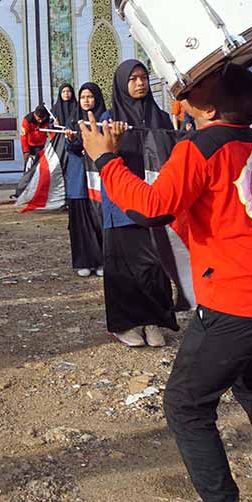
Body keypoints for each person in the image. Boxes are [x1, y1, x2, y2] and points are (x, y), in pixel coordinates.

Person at [80, 64, 252, 502]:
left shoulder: (198, 148)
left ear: (209, 108)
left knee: (186, 406)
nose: (180, 91)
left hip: (239, 304)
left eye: (191, 89)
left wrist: (105, 160)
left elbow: (152, 206)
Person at [96, 59, 177, 348]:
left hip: (155, 201)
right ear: (121, 84)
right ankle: (125, 323)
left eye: (143, 78)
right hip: (122, 204)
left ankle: (153, 319)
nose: (140, 83)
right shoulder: (108, 118)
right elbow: (100, 159)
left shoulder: (162, 118)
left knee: (155, 262)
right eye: (133, 79)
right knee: (125, 265)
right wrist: (113, 142)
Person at [63, 82, 104, 277]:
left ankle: (102, 261)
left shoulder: (104, 118)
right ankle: (84, 261)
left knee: (98, 218)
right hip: (78, 177)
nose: (86, 101)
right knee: (80, 220)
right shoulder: (73, 121)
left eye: (90, 96)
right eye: (83, 97)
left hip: (97, 176)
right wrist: (71, 140)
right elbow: (70, 149)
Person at [20, 104, 50, 171]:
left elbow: (52, 131)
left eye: (42, 119)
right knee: (28, 165)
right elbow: (23, 136)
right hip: (29, 145)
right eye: (38, 119)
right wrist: (26, 151)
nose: (40, 121)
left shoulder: (48, 118)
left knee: (40, 166)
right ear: (35, 115)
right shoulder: (27, 120)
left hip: (41, 145)